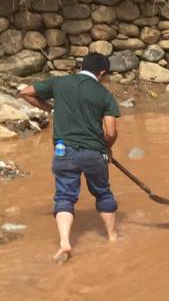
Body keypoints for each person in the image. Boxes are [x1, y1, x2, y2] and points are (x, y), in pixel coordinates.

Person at [18, 51, 121, 263]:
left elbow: (26, 92)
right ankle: (112, 238)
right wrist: (106, 148)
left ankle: (65, 241)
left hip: (64, 151)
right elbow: (110, 132)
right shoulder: (104, 95)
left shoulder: (60, 82)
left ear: (82, 66)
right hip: (93, 152)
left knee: (64, 196)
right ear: (101, 73)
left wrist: (51, 109)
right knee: (103, 193)